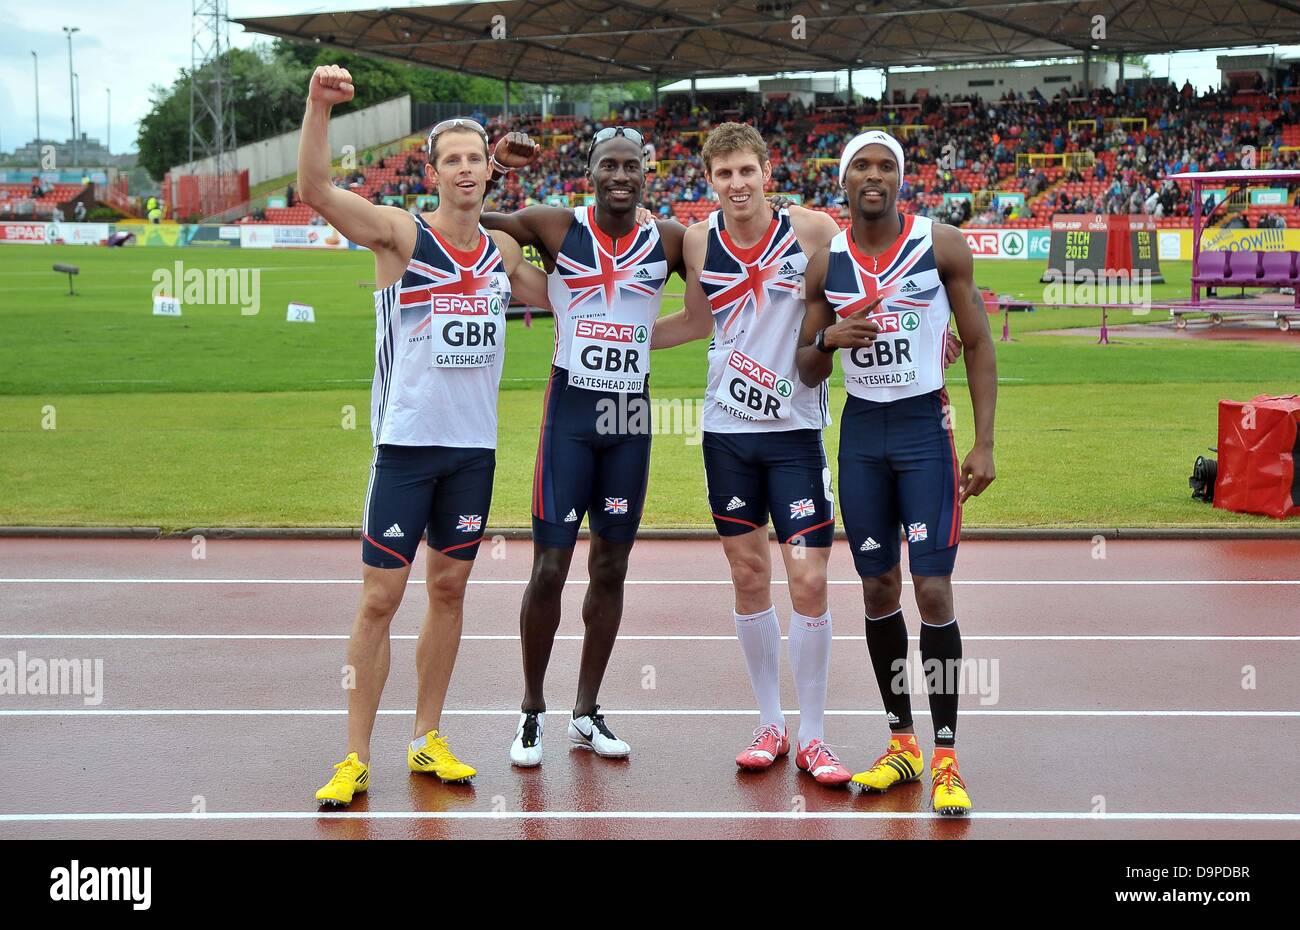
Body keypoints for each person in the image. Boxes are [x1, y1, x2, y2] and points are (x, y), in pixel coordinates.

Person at [298, 66, 550, 806]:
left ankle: (427, 737)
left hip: (472, 452)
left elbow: (575, 297)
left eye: (476, 157)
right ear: (434, 171)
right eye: (453, 159)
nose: (466, 168)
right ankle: (354, 755)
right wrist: (319, 106)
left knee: (449, 587)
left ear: (487, 169)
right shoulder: (399, 237)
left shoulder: (504, 256)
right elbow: (315, 191)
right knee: (380, 598)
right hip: (406, 449)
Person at [796, 131, 997, 816]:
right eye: (862, 167)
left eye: (886, 166)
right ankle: (902, 743)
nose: (873, 176)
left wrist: (985, 442)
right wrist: (828, 339)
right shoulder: (827, 263)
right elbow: (806, 365)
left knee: (932, 589)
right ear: (844, 181)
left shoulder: (940, 246)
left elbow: (977, 342)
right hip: (861, 434)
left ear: (900, 180)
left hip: (923, 430)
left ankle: (946, 755)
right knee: (878, 586)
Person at [651, 122, 852, 783]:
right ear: (708, 180)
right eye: (723, 174)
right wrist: (622, 340)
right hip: (727, 434)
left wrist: (932, 333)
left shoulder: (815, 230)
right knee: (747, 578)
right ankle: (770, 725)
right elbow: (695, 321)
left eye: (746, 170)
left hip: (795, 433)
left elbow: (869, 283)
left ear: (769, 170)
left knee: (811, 580)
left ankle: (815, 736)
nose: (736, 183)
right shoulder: (700, 240)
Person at [481, 126, 686, 767]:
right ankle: (532, 712)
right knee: (549, 568)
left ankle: (587, 711)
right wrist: (491, 170)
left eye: (631, 166)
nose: (620, 175)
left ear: (646, 175)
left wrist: (638, 339)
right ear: (589, 171)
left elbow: (726, 288)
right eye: (608, 165)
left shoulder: (672, 239)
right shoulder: (553, 225)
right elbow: (466, 219)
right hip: (570, 413)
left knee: (611, 568)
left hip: (627, 418)